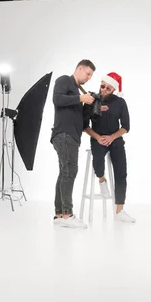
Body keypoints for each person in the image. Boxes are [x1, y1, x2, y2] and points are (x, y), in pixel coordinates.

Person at [84, 72, 135, 223]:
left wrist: (112, 137)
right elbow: (84, 125)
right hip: (97, 137)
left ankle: (120, 211)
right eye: (102, 86)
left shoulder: (120, 102)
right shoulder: (91, 99)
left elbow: (126, 127)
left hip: (115, 138)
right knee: (98, 161)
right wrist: (98, 137)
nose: (104, 89)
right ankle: (102, 180)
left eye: (108, 88)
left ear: (114, 89)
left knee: (121, 172)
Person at [51, 59, 96, 229]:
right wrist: (80, 97)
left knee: (65, 172)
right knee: (69, 172)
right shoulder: (64, 80)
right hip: (64, 134)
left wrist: (92, 107)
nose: (89, 77)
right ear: (79, 68)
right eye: (88, 74)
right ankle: (67, 214)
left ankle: (59, 215)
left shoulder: (79, 92)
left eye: (91, 76)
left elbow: (82, 120)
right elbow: (57, 99)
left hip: (72, 137)